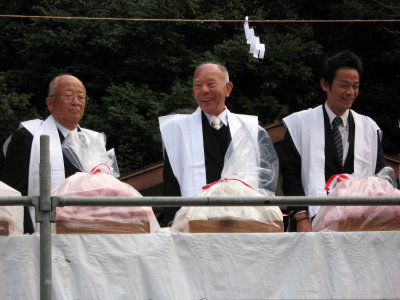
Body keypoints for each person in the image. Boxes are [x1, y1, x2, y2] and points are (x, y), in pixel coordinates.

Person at [280, 50, 385, 232]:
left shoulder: (369, 128)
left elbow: (382, 178)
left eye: (355, 86)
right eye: (344, 85)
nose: (350, 92)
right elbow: (290, 176)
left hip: (359, 224)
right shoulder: (299, 124)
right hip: (312, 222)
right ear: (325, 84)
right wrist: (301, 216)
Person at [158, 62, 260, 227]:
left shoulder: (248, 127)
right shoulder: (178, 130)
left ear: (228, 88)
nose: (204, 90)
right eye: (198, 85)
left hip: (240, 220)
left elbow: (261, 178)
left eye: (211, 84)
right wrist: (172, 222)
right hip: (194, 222)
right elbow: (171, 182)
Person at [3, 74, 99, 234]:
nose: (76, 101)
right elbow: (14, 194)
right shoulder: (29, 136)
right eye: (68, 95)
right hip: (41, 232)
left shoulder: (93, 141)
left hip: (89, 230)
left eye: (81, 97)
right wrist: (27, 235)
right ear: (50, 103)